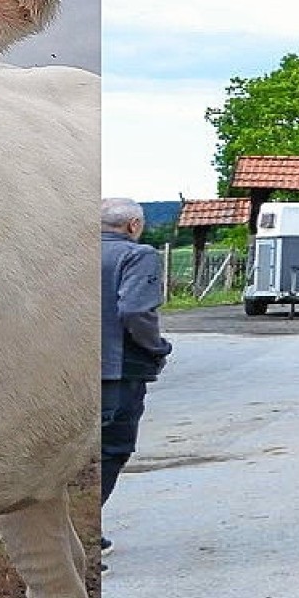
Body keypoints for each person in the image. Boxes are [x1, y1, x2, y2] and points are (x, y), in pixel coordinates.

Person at [100, 197, 173, 533]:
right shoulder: (137, 255)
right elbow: (134, 311)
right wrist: (156, 347)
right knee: (113, 448)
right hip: (118, 368)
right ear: (133, 226)